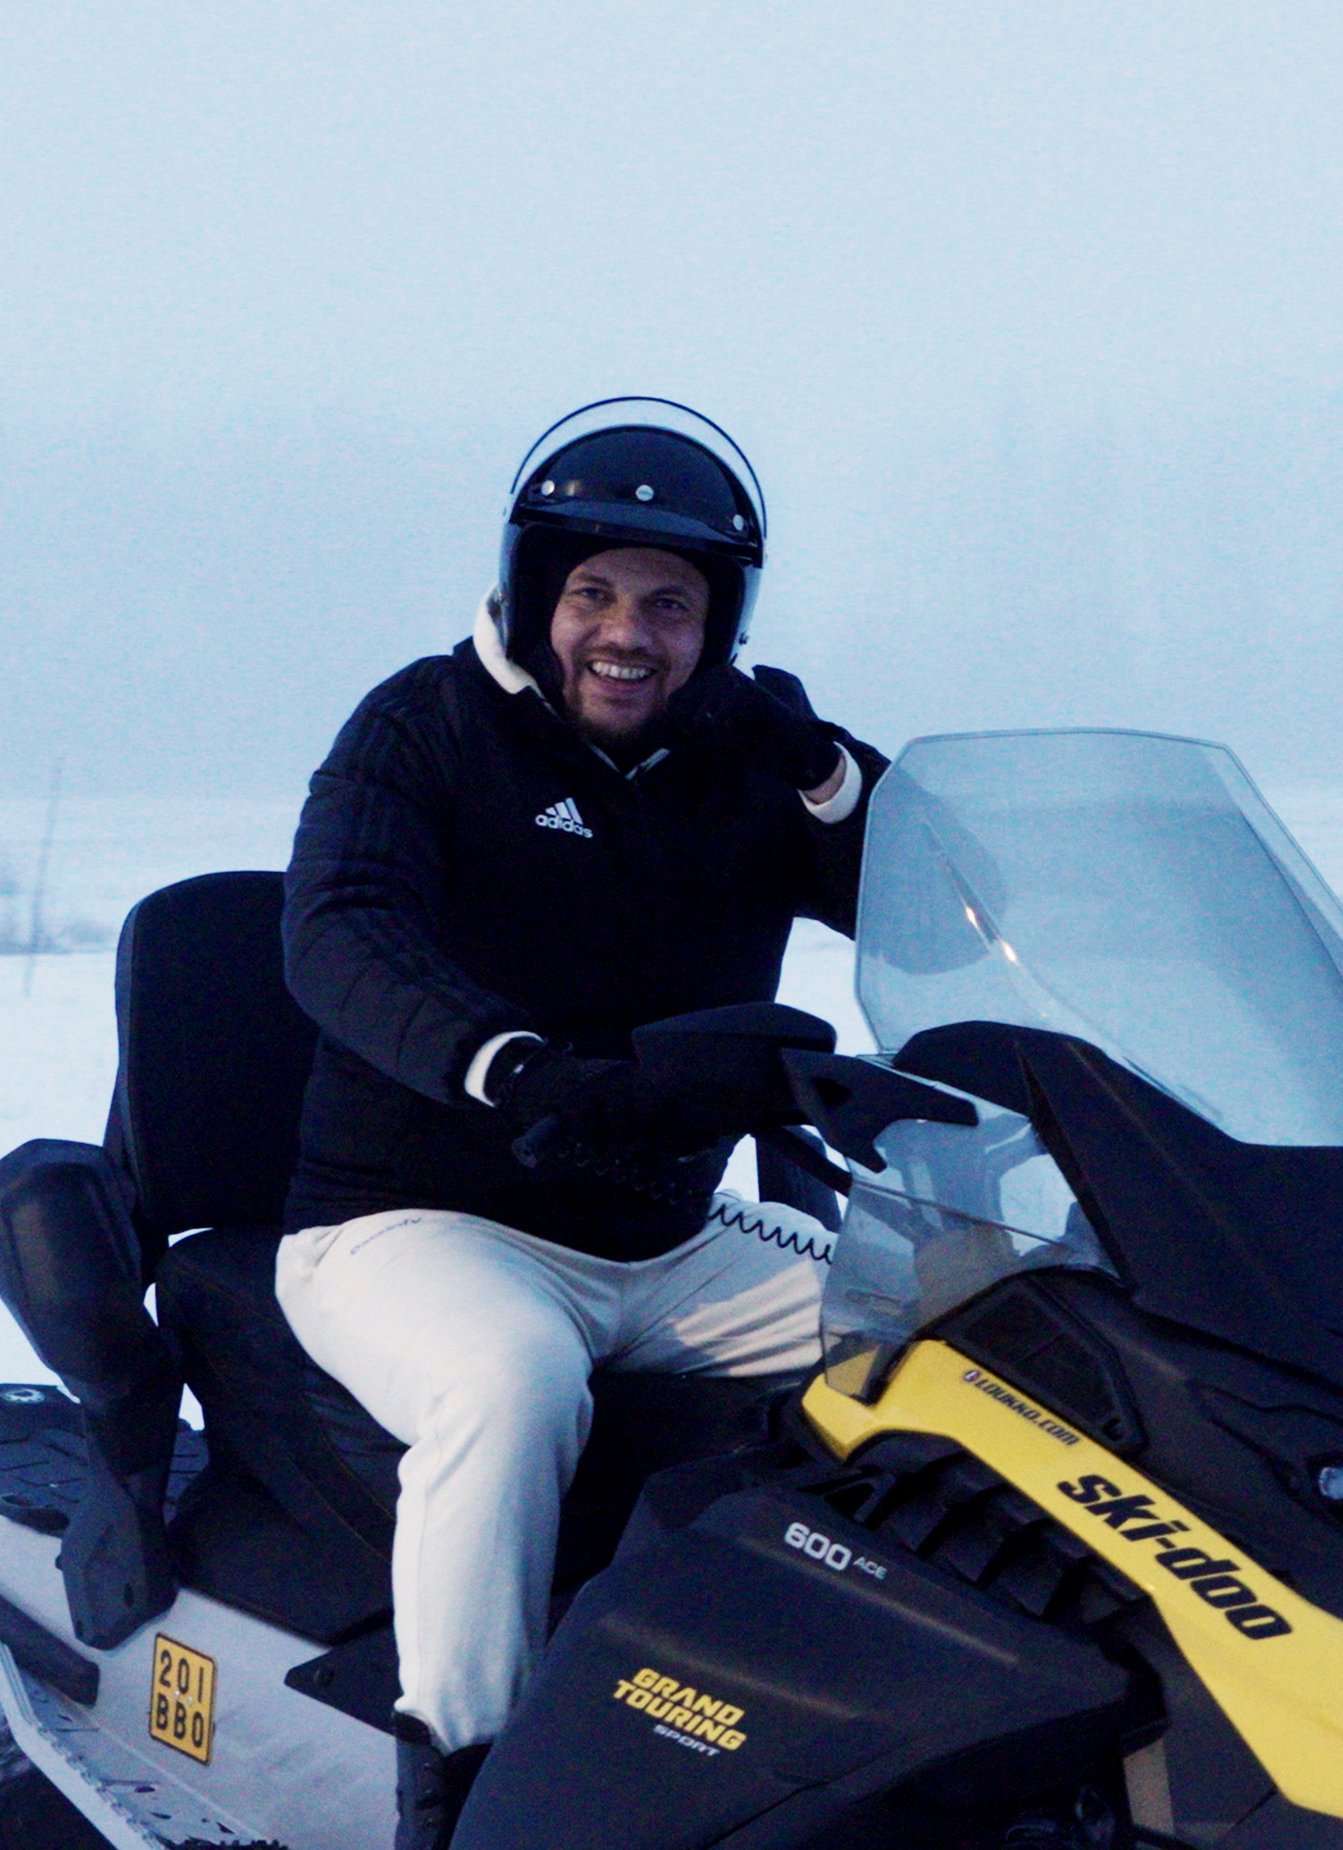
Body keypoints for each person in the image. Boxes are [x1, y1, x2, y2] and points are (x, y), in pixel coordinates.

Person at [271, 400, 884, 1848]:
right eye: (594, 593)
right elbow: (338, 926)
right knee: (510, 1380)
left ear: (718, 625)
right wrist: (511, 1067)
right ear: (534, 593)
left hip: (665, 1234)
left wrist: (823, 774)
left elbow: (942, 903)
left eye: (671, 605)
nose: (627, 634)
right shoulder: (426, 724)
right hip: (410, 1222)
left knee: (951, 1332)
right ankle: (466, 1795)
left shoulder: (746, 753)